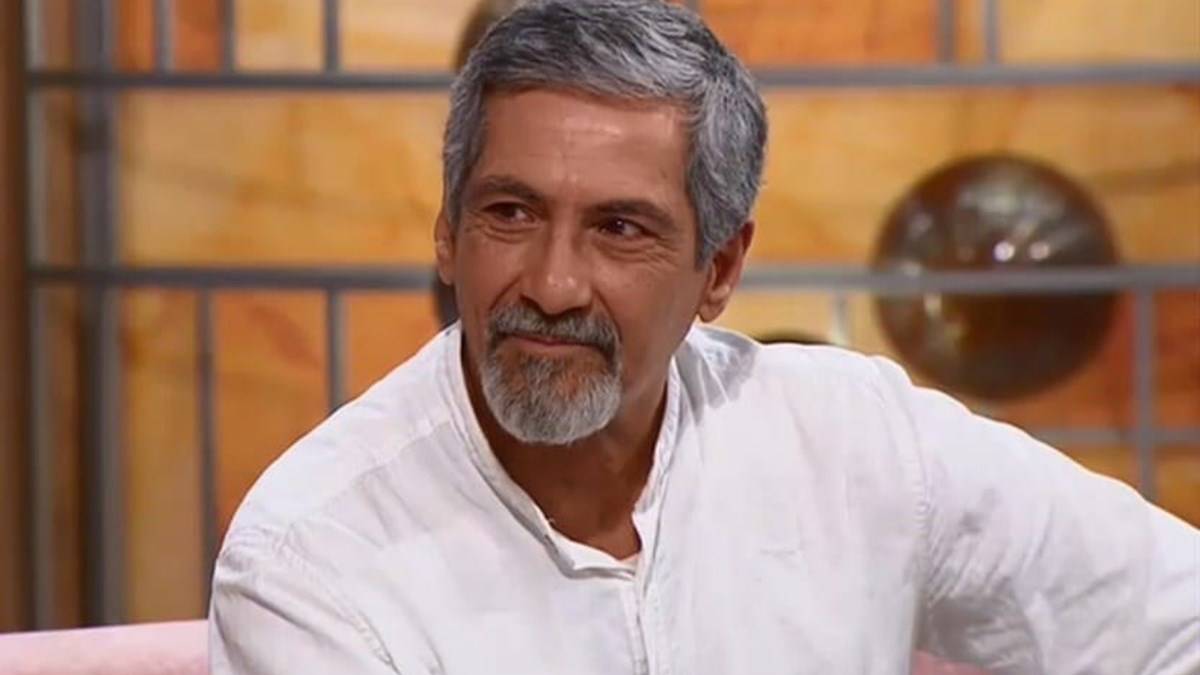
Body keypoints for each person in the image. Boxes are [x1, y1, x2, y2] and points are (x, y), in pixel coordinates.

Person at [208, 2, 1200, 673]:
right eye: (509, 212)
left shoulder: (854, 439)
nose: (551, 285)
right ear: (445, 231)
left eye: (619, 229)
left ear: (720, 269)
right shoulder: (312, 556)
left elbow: (1172, 614)